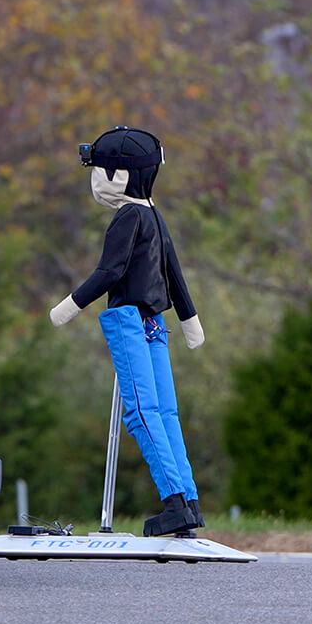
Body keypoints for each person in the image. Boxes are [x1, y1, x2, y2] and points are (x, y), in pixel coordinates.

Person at [49, 126, 206, 537]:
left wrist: (70, 306)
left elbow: (110, 271)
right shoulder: (154, 215)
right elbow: (175, 274)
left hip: (129, 322)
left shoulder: (127, 217)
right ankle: (189, 502)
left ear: (119, 176)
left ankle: (174, 502)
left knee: (140, 412)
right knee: (165, 413)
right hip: (157, 324)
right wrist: (190, 321)